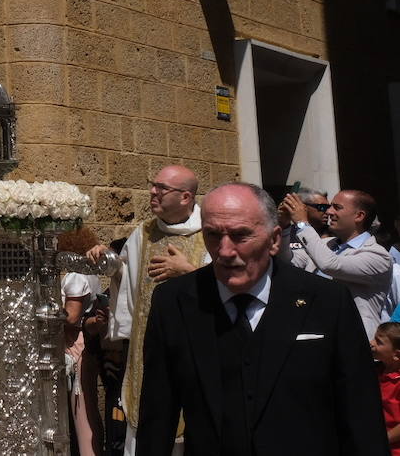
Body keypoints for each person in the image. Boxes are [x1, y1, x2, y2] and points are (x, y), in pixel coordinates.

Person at [137, 182, 389, 455]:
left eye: (240, 235)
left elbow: (360, 412)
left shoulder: (327, 301)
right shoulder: (174, 301)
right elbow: (157, 413)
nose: (225, 251)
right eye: (212, 235)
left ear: (274, 239)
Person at [87, 165, 207, 455]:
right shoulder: (144, 231)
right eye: (153, 185)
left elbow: (232, 283)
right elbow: (126, 275)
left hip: (197, 347)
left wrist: (189, 271)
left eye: (161, 188)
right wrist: (108, 259)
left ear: (186, 197)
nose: (152, 192)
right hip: (148, 346)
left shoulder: (210, 232)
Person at [282, 188, 393, 337]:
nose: (329, 212)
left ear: (359, 216)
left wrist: (302, 223)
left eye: (337, 207)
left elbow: (330, 265)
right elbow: (288, 261)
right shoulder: (326, 244)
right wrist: (284, 227)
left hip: (353, 339)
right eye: (330, 206)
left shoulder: (378, 256)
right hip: (317, 335)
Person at [62, 273, 106, 456]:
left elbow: (72, 317)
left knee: (82, 415)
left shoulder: (75, 277)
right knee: (86, 410)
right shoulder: (90, 276)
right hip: (83, 345)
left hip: (74, 348)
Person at [277, 186, 330, 272]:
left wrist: (301, 223)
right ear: (303, 207)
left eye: (328, 207)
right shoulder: (286, 232)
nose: (328, 212)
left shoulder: (335, 235)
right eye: (322, 207)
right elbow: (285, 261)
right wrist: (283, 224)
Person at [374, 322, 400, 455]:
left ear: (396, 355)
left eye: (379, 342)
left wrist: (385, 438)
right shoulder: (376, 371)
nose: (372, 343)